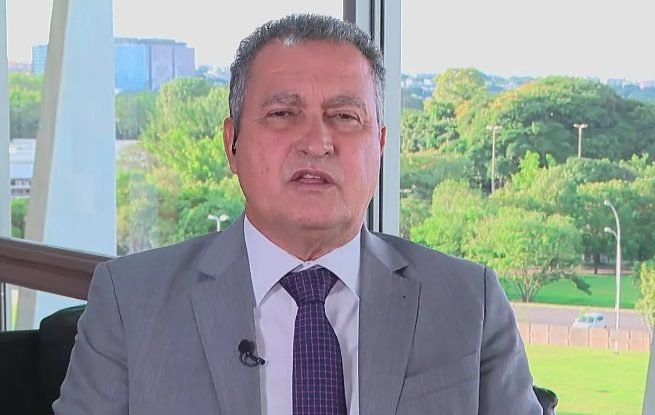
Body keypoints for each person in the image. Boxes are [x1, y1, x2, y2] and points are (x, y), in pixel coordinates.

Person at [54, 14, 542, 415]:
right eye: (283, 114)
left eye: (345, 117)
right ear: (232, 143)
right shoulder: (130, 302)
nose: (317, 142)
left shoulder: (469, 303)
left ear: (380, 146)